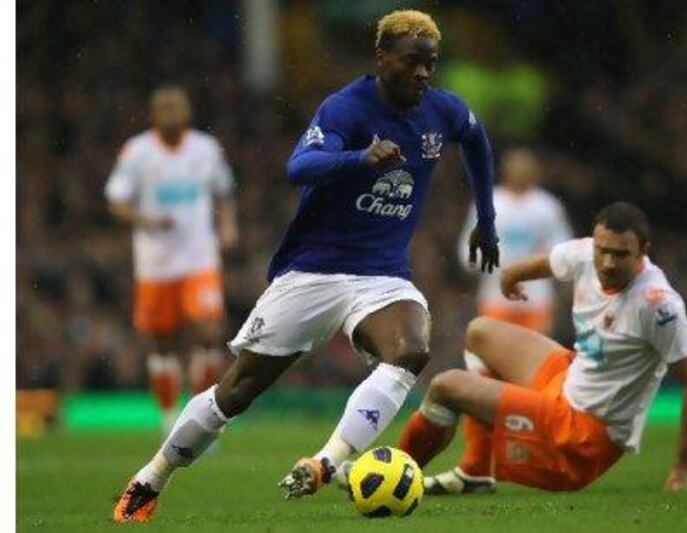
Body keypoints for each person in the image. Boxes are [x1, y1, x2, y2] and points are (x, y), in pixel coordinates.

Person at [113, 9, 499, 523]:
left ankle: (327, 462)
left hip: (381, 276)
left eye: (431, 64)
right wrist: (359, 158)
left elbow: (475, 140)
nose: (423, 74)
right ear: (382, 57)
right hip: (312, 272)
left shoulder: (442, 111)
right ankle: (151, 477)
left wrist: (487, 219)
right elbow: (299, 167)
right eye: (412, 62)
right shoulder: (346, 108)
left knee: (411, 349)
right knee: (236, 392)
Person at [397, 202, 687, 495]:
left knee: (446, 386)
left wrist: (682, 468)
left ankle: (393, 475)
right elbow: (552, 260)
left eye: (620, 254)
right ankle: (476, 472)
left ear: (643, 251)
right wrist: (512, 275)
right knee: (481, 332)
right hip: (569, 379)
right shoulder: (586, 254)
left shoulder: (657, 305)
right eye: (602, 250)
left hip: (584, 433)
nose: (607, 262)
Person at [105, 86, 238, 434]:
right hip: (155, 263)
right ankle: (168, 416)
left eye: (176, 105)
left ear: (188, 112)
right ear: (152, 115)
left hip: (199, 257)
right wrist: (144, 220)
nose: (170, 111)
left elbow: (223, 191)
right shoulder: (137, 151)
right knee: (161, 341)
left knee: (208, 332)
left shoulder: (206, 149)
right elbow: (116, 200)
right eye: (163, 106)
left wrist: (227, 225)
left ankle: (203, 417)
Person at [455, 147, 571, 484]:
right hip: (495, 300)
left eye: (526, 164)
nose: (520, 170)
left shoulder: (548, 206)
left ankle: (535, 449)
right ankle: (483, 455)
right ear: (505, 170)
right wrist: (482, 260)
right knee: (487, 378)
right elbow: (466, 250)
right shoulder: (488, 201)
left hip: (536, 303)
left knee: (536, 380)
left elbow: (560, 252)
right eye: (514, 165)